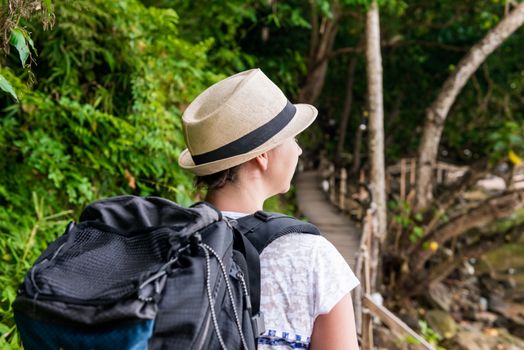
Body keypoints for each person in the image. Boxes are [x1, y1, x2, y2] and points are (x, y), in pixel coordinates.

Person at [178, 68, 360, 349]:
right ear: (263, 155)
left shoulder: (169, 242)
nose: (298, 151)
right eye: (293, 138)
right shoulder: (312, 257)